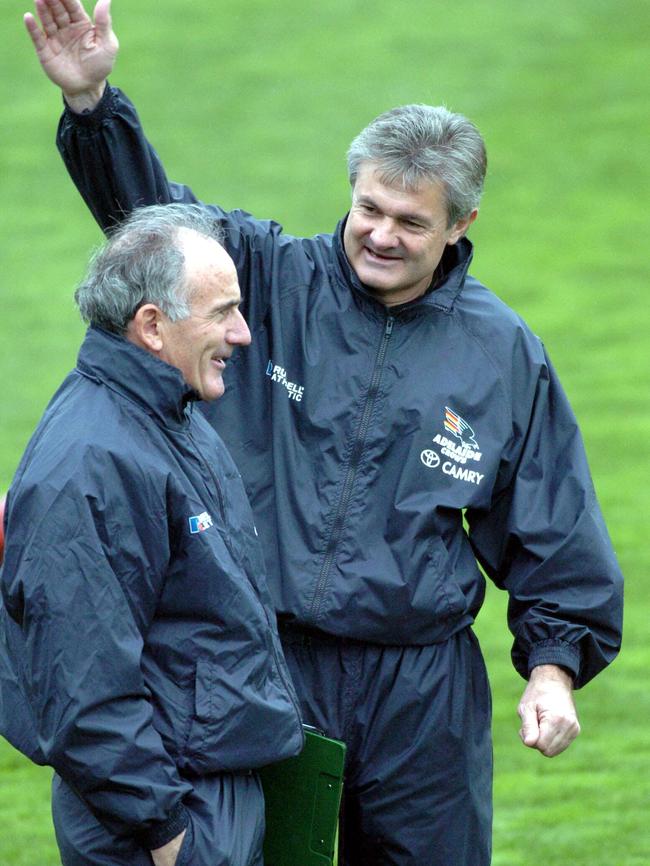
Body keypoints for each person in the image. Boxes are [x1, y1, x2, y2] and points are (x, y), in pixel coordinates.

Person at [24, 2, 624, 864]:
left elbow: (554, 526)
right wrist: (92, 106)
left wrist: (553, 669)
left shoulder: (502, 355)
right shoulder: (265, 277)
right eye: (369, 207)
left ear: (461, 227)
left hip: (420, 690)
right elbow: (151, 229)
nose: (380, 234)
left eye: (411, 222)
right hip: (260, 664)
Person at [0, 203, 304, 866]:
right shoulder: (92, 460)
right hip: (160, 815)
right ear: (153, 327)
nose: (244, 333)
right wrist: (168, 834)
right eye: (223, 311)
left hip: (204, 786)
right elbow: (84, 688)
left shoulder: (169, 417)